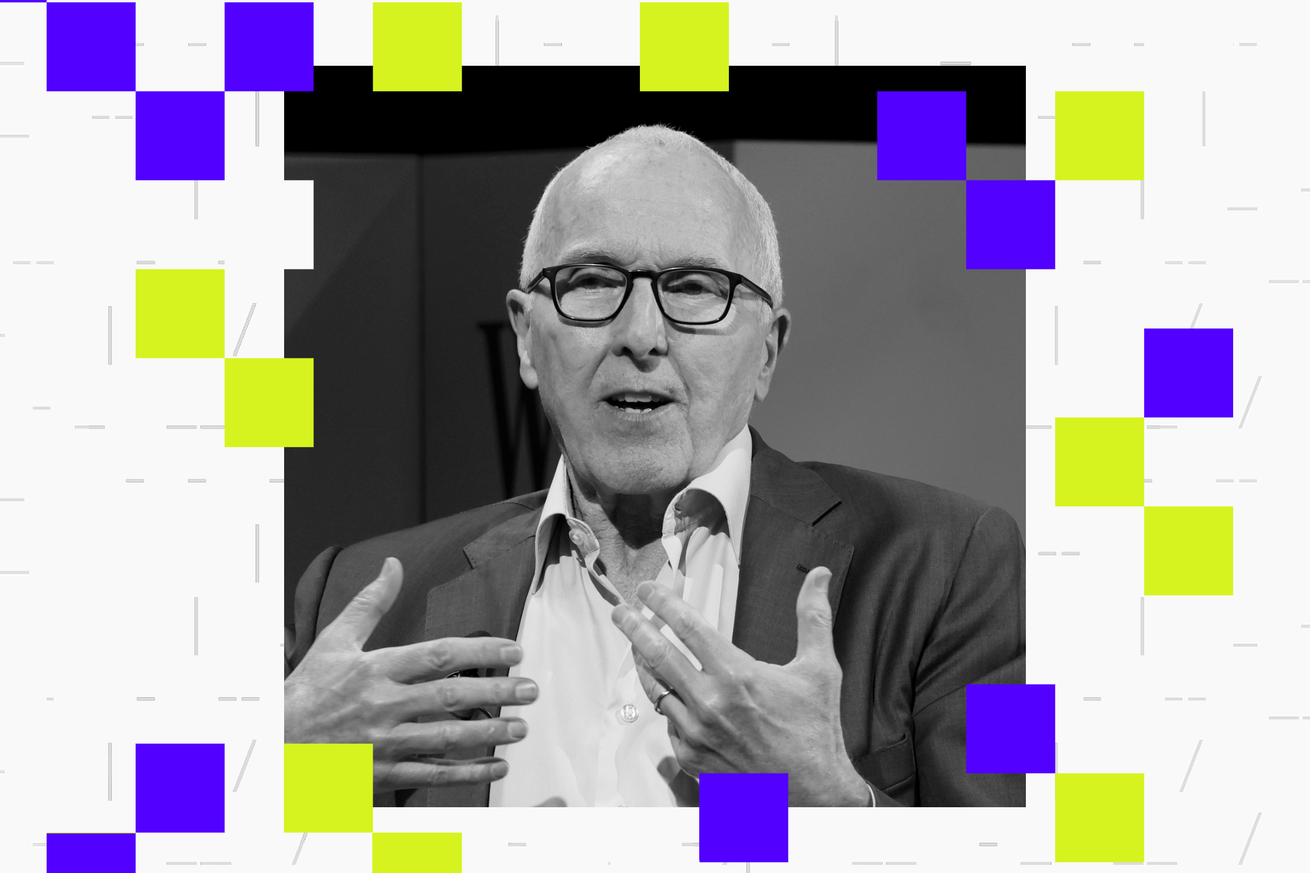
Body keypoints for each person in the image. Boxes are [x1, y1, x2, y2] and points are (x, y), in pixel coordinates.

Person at [285, 125, 1025, 808]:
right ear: (526, 339)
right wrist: (275, 771)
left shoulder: (948, 565)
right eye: (592, 282)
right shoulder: (359, 602)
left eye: (695, 287)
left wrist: (827, 803)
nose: (640, 335)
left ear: (767, 351)